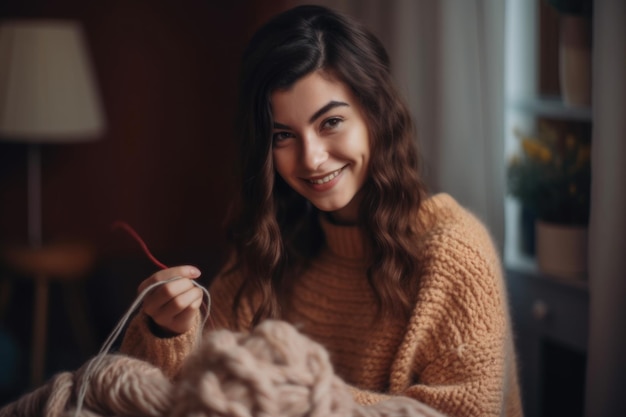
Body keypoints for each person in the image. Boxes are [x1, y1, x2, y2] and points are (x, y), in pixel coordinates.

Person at [120, 5, 522, 417]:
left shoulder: (454, 253)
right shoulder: (274, 249)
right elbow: (181, 397)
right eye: (283, 136)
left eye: (330, 122)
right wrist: (168, 331)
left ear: (375, 114)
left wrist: (292, 389)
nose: (311, 159)